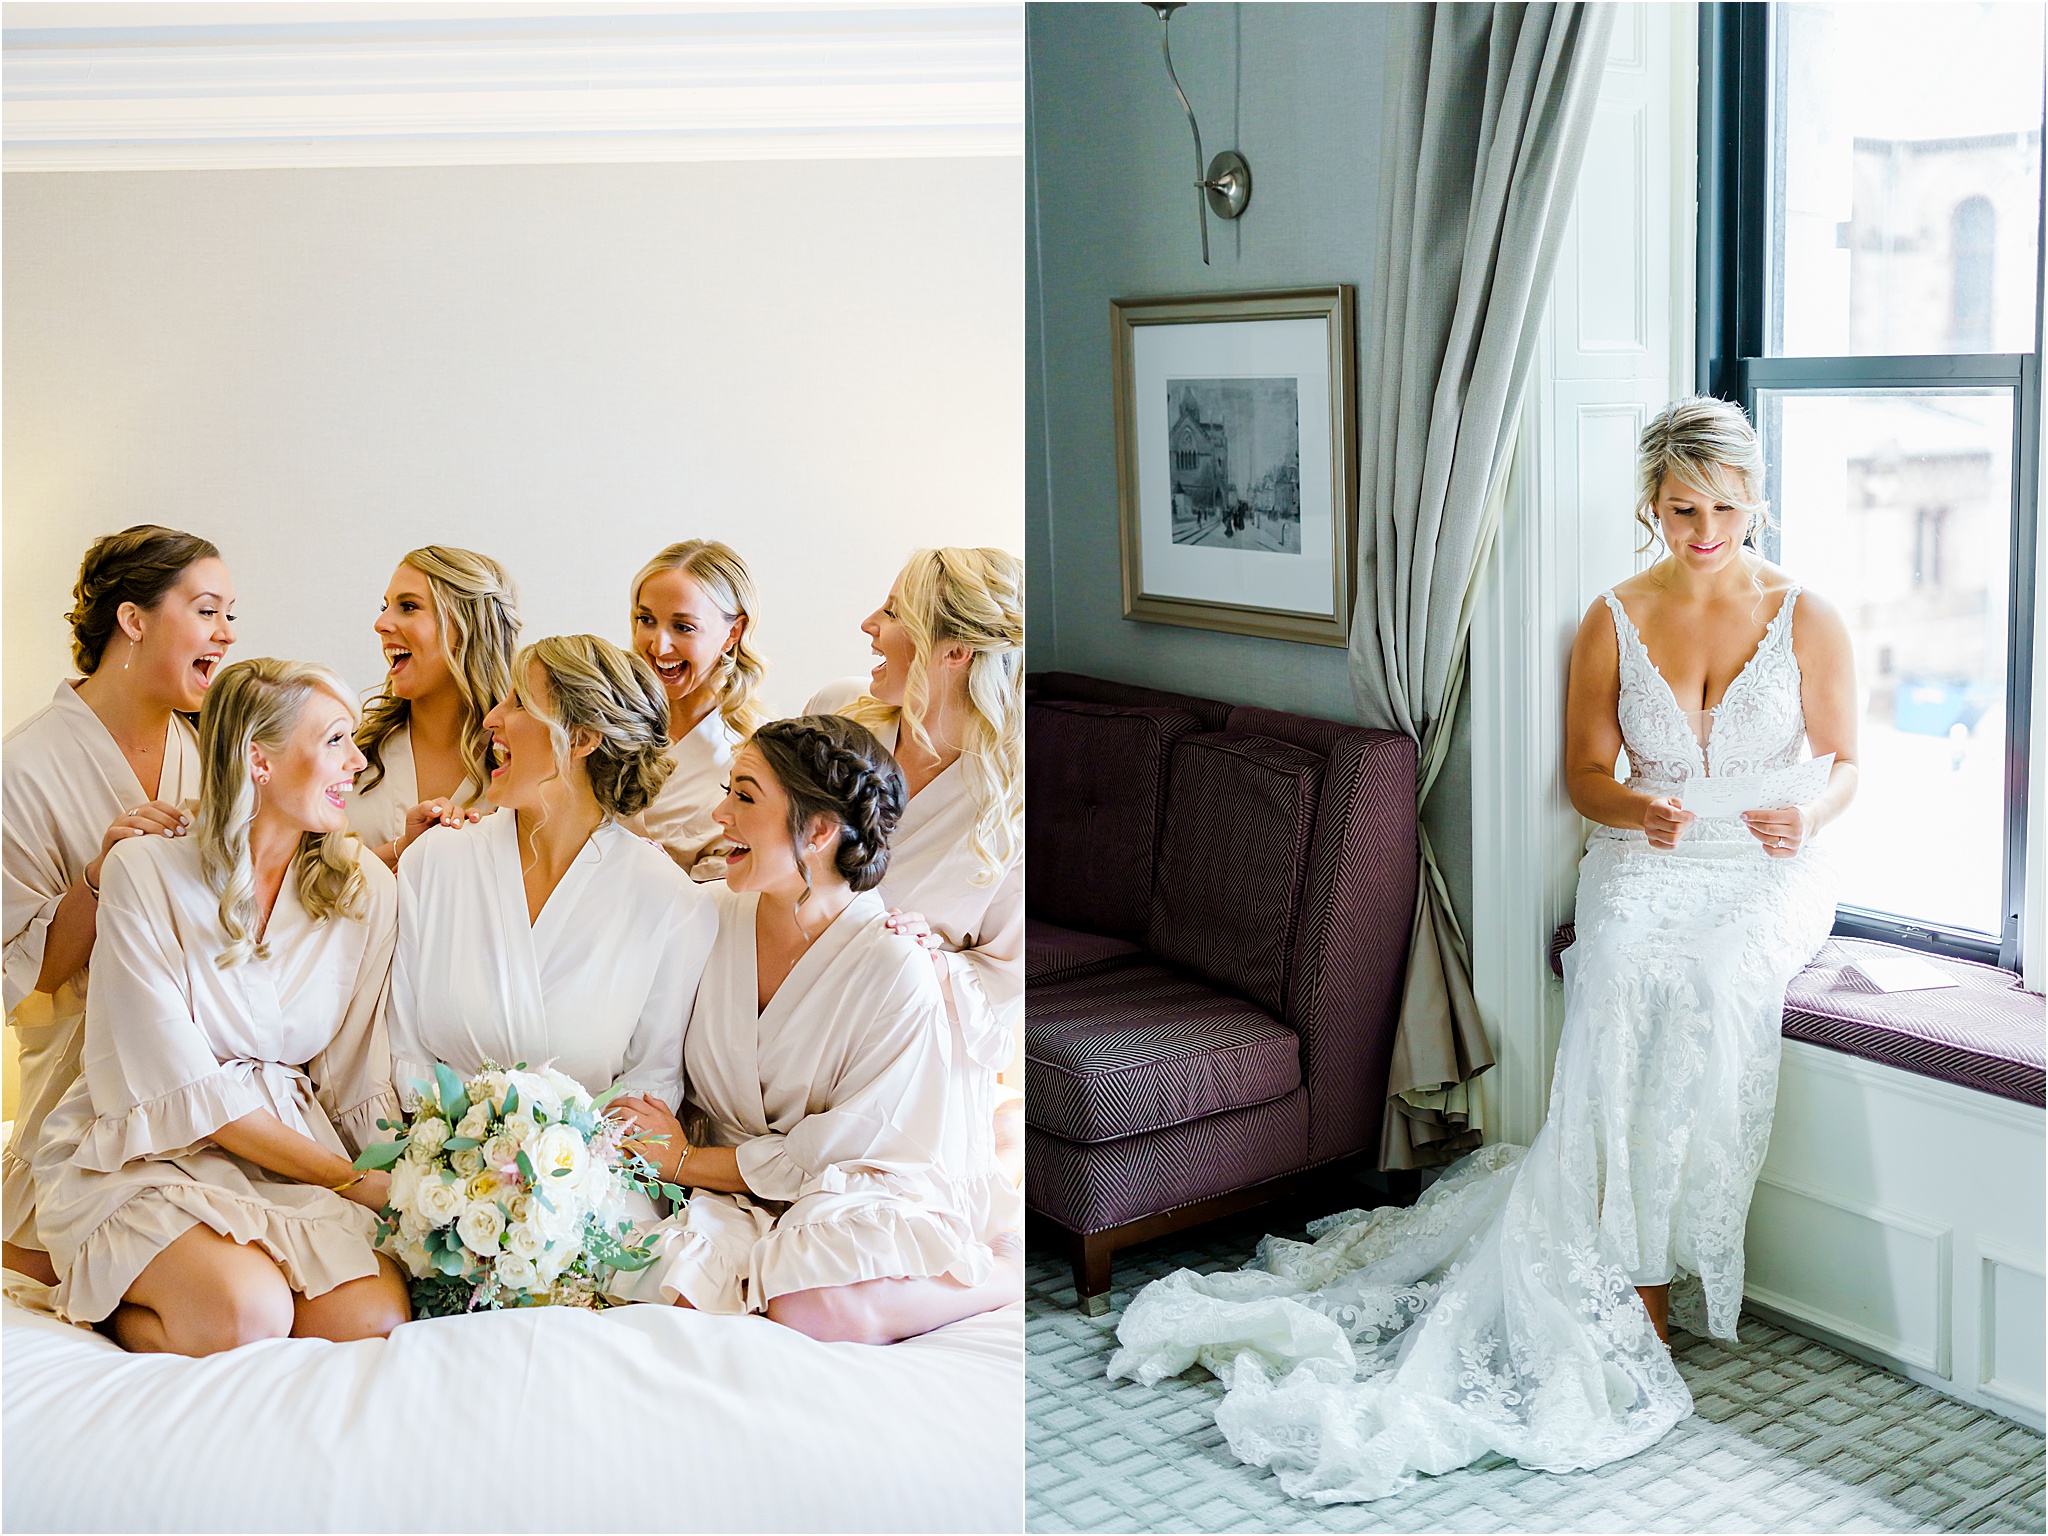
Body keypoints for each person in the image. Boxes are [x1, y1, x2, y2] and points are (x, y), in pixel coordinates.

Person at [1107, 396, 1860, 1501]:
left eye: (1724, 507)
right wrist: (1635, 811)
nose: (1703, 529)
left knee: (1704, 982)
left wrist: (1809, 815)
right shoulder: (1612, 615)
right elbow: (1585, 776)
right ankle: (1622, 1273)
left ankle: (1674, 1251)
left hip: (1762, 867)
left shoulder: (1807, 613)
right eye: (1681, 507)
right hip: (1646, 860)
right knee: (1605, 978)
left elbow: (1842, 763)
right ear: (1649, 504)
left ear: (1756, 500)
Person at [31, 659, 410, 1354]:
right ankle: (102, 1298)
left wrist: (413, 1182)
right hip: (157, 1151)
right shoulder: (145, 870)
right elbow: (179, 1086)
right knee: (248, 1314)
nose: (357, 762)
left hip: (293, 1157)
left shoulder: (364, 889)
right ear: (257, 760)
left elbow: (356, 1075)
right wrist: (352, 1181)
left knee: (371, 1324)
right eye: (334, 741)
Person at [609, 715, 1021, 1343]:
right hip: (729, 1183)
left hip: (861, 1181)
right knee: (671, 1284)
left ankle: (996, 1275)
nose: (720, 814)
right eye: (727, 791)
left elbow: (855, 1148)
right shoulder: (707, 916)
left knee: (810, 1297)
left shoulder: (893, 964)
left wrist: (689, 1162)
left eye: (744, 796)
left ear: (821, 831)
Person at [385, 635, 717, 1293]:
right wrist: (459, 1175)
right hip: (439, 1197)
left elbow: (649, 1089)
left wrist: (547, 1190)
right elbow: (405, 1051)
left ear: (583, 737)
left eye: (515, 702)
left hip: (589, 1199)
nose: (488, 720)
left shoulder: (671, 904)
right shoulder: (434, 866)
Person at [2, 526, 234, 1285]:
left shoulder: (212, 757)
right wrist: (103, 878)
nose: (225, 635)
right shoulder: (22, 770)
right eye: (206, 612)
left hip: (205, 1088)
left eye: (231, 614)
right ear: (133, 619)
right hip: (81, 1092)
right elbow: (23, 981)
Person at [808, 547, 1024, 1191]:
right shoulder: (838, 723)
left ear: (954, 649)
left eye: (894, 612)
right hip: (774, 1007)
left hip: (900, 1065)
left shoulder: (1010, 806)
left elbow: (1007, 986)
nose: (869, 624)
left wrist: (933, 958)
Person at [351, 547, 520, 868]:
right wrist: (400, 849)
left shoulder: (525, 762)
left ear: (470, 627)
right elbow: (304, 877)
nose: (381, 623)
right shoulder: (351, 748)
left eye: (409, 607)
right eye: (385, 607)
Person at [626, 541, 766, 880]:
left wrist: (662, 876)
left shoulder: (759, 759)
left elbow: (726, 901)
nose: (658, 646)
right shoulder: (604, 721)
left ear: (734, 632)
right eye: (646, 620)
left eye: (683, 627)